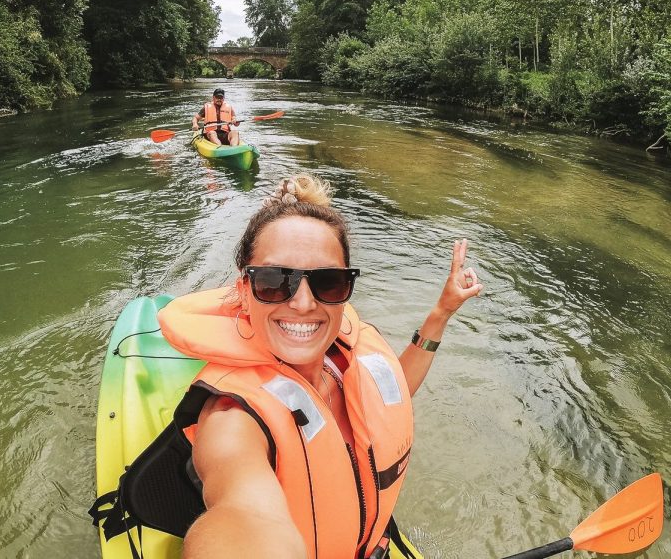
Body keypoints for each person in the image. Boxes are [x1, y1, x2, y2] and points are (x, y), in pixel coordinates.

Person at [153, 175, 483, 559]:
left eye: (328, 282)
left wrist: (442, 312)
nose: (304, 303)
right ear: (244, 290)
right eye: (275, 282)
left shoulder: (339, 362)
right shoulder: (233, 418)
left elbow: (394, 394)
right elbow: (241, 513)